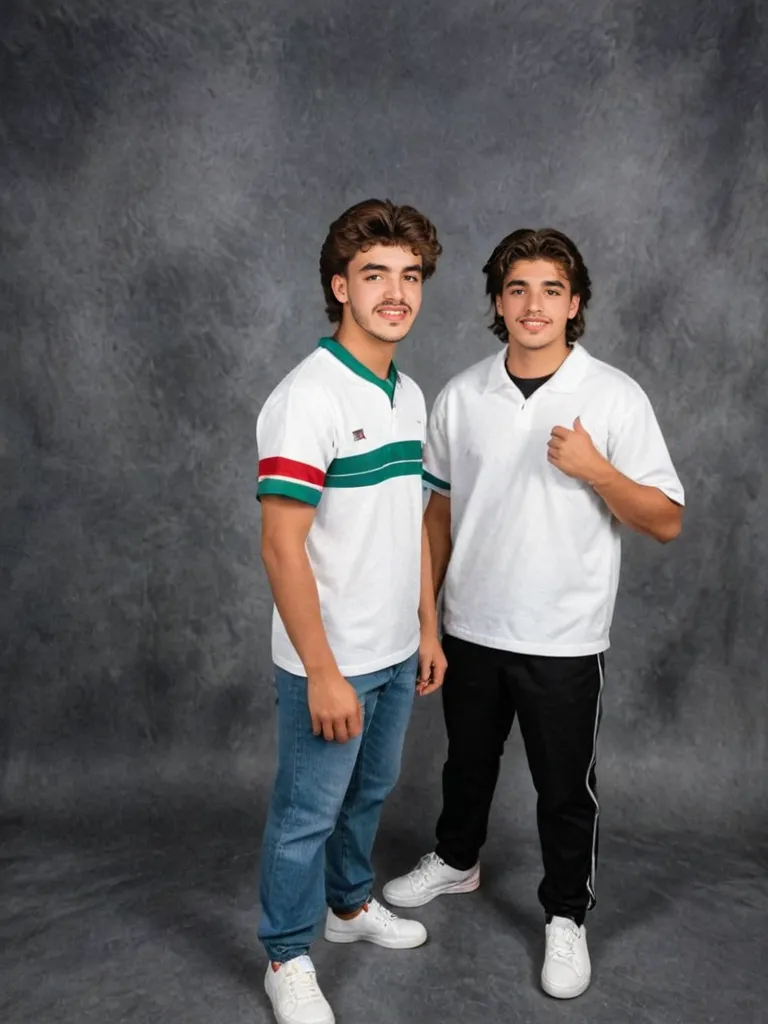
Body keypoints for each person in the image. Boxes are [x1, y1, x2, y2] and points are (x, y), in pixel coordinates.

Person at [383, 227, 685, 1000]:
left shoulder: (612, 395)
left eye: (552, 289)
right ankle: (457, 861)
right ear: (498, 300)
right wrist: (427, 623)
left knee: (563, 790)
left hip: (564, 636)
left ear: (575, 303)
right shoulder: (461, 395)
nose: (534, 305)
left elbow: (665, 520)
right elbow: (435, 518)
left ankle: (565, 915)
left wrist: (596, 469)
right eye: (517, 288)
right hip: (470, 626)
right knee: (466, 765)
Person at [256, 199, 447, 1024]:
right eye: (375, 275)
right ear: (340, 287)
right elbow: (280, 547)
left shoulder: (410, 395)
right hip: (328, 663)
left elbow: (411, 526)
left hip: (396, 651)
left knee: (369, 796)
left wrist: (426, 628)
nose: (396, 293)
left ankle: (349, 905)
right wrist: (323, 673)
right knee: (306, 817)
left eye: (410, 276)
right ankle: (286, 955)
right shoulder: (308, 397)